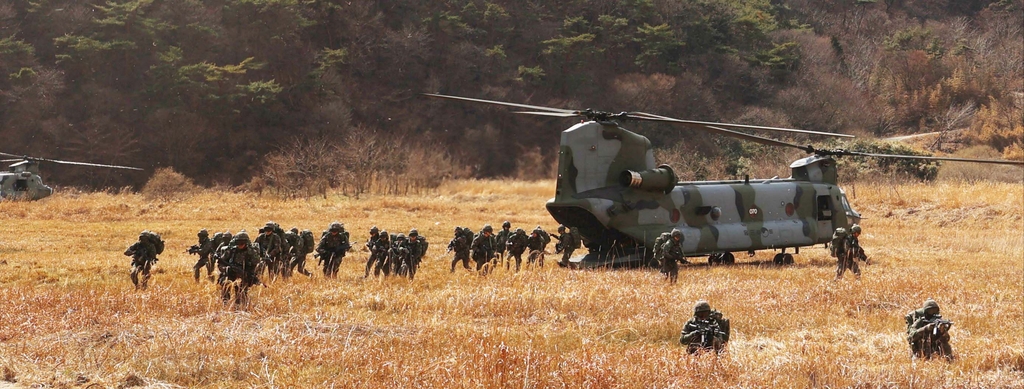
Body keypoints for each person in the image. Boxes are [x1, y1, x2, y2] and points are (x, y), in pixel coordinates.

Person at [217, 231, 261, 308]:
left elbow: (256, 263)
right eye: (238, 242)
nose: (240, 245)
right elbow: (221, 262)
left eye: (242, 242)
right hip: (231, 273)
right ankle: (225, 303)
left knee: (241, 290)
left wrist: (249, 274)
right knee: (225, 283)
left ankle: (240, 307)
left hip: (244, 274)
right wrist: (226, 269)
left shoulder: (251, 252)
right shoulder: (231, 250)